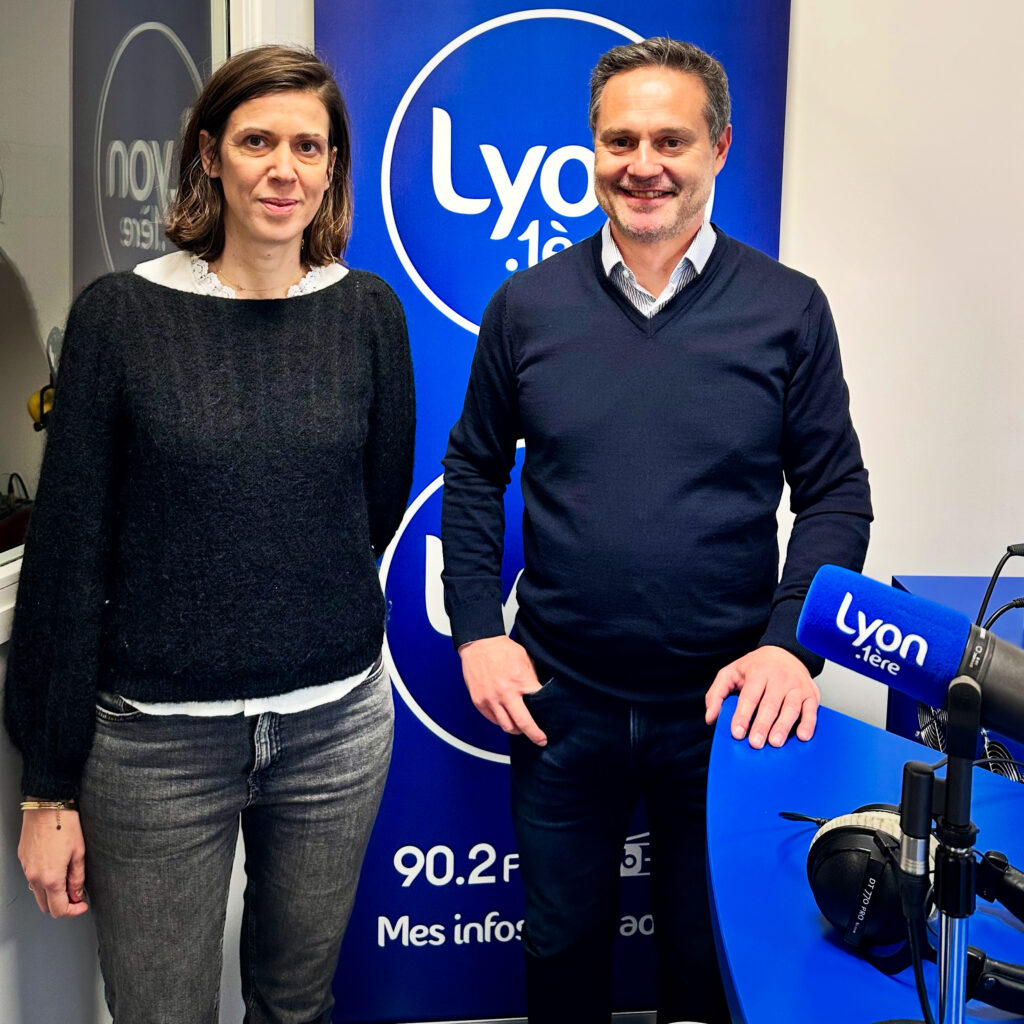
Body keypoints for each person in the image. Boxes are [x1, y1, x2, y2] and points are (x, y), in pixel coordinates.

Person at [441, 37, 871, 1024]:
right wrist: (475, 631)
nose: (643, 164)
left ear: (718, 148)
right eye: (620, 140)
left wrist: (787, 648)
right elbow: (471, 471)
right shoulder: (526, 307)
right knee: (559, 953)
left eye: (670, 140)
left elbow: (836, 494)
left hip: (727, 714)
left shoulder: (788, 309)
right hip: (561, 705)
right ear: (592, 149)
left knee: (708, 965)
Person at [3, 45, 414, 1024]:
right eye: (257, 141)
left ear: (332, 166)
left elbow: (374, 504)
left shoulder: (366, 312)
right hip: (155, 749)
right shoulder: (120, 318)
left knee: (297, 1003)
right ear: (209, 155)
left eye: (308, 147)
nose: (284, 170)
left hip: (335, 731)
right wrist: (47, 788)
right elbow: (66, 555)